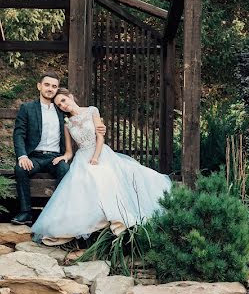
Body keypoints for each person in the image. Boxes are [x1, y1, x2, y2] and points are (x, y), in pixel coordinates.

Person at [30, 88, 173, 245]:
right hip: (82, 157)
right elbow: (70, 151)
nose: (62, 105)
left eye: (63, 100)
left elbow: (100, 137)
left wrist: (96, 157)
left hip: (100, 153)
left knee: (107, 176)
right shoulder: (67, 124)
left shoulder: (92, 111)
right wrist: (64, 157)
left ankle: (119, 219)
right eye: (59, 105)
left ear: (70, 96)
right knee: (83, 182)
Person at [10, 72, 105, 226]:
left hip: (55, 157)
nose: (50, 88)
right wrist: (22, 156)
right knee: (20, 169)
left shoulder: (62, 110)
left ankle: (55, 212)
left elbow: (81, 118)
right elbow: (19, 134)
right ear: (39, 86)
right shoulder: (27, 108)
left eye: (54, 86)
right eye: (47, 85)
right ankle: (26, 212)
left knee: (64, 169)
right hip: (34, 157)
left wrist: (100, 127)